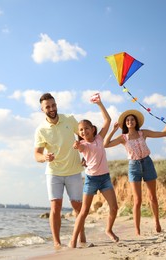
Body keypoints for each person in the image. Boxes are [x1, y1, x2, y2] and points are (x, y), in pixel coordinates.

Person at [104, 108, 166, 236]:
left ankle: (157, 222)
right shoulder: (123, 138)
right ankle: (137, 230)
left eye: (132, 119)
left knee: (152, 197)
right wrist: (114, 129)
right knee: (137, 200)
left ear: (136, 122)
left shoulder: (143, 133)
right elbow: (105, 144)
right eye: (127, 120)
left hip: (147, 163)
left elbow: (164, 133)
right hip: (134, 166)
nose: (130, 121)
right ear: (125, 124)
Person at [34, 93, 86, 247]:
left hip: (74, 170)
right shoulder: (41, 130)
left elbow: (83, 136)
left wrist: (85, 152)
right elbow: (36, 155)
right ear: (42, 109)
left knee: (77, 206)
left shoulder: (69, 119)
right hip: (54, 172)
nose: (52, 108)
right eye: (47, 107)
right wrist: (45, 157)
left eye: (53, 105)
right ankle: (57, 242)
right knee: (55, 206)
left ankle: (81, 237)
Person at [69, 93, 119, 248]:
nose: (84, 131)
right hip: (91, 180)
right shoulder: (84, 145)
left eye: (86, 128)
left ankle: (109, 230)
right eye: (81, 130)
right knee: (84, 211)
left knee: (114, 207)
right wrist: (77, 146)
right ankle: (73, 240)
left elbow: (108, 120)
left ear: (92, 129)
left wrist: (99, 104)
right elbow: (80, 147)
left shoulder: (99, 138)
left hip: (104, 178)